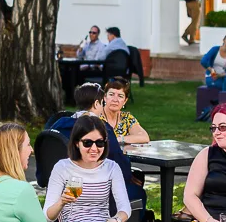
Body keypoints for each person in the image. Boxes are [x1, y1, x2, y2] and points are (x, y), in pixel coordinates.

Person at [44, 115, 146, 222]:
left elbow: (125, 208)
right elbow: (46, 216)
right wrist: (61, 202)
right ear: (76, 143)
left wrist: (113, 221)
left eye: (100, 143)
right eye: (87, 143)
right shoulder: (63, 168)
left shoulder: (111, 168)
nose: (94, 148)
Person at [40, 82, 147, 212]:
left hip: (63, 191)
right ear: (97, 103)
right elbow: (120, 166)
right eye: (103, 103)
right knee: (138, 192)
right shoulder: (101, 129)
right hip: (92, 192)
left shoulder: (58, 124)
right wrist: (130, 177)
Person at [101, 78, 149, 145]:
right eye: (111, 94)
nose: (115, 100)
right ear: (105, 97)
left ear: (125, 101)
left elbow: (144, 137)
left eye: (120, 96)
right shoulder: (95, 118)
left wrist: (120, 139)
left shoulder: (126, 118)